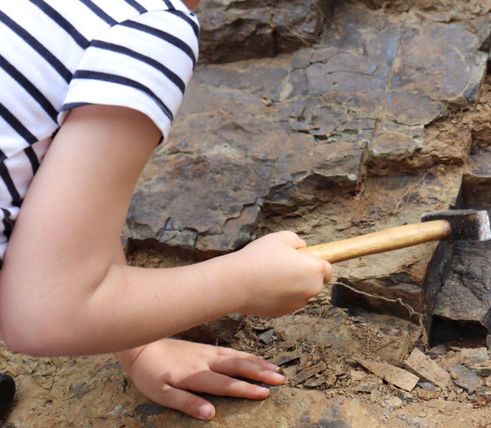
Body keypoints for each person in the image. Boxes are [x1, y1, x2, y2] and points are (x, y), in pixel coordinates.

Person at [0, 0, 332, 421]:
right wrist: (244, 281)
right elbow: (43, 315)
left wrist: (137, 343)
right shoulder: (143, 27)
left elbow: (47, 197)